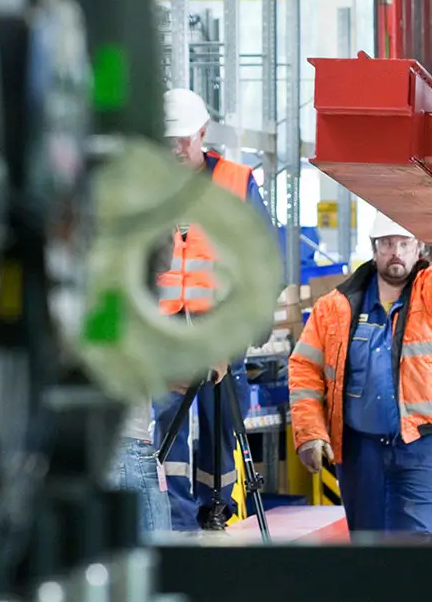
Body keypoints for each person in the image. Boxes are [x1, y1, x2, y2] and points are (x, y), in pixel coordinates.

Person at [287, 212, 432, 540]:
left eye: (404, 243)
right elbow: (304, 368)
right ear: (374, 248)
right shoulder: (335, 307)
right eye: (387, 243)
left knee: (418, 545)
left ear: (418, 247)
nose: (396, 251)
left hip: (421, 447)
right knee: (369, 552)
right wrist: (310, 433)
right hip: (359, 451)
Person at [152, 88, 275, 532]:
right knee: (169, 428)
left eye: (182, 139)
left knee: (222, 427)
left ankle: (215, 511)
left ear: (202, 134)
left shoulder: (237, 182)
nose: (173, 148)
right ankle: (178, 520)